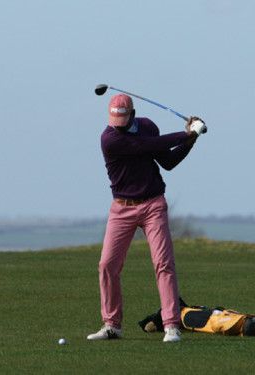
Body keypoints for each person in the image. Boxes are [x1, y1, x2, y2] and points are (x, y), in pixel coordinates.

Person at [87, 93, 203, 343]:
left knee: (163, 263)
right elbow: (148, 146)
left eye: (122, 120)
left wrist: (190, 140)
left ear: (133, 114)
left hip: (153, 205)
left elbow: (168, 160)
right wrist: (187, 133)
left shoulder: (148, 127)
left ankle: (171, 325)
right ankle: (112, 326)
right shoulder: (109, 139)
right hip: (121, 208)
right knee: (107, 265)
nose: (117, 126)